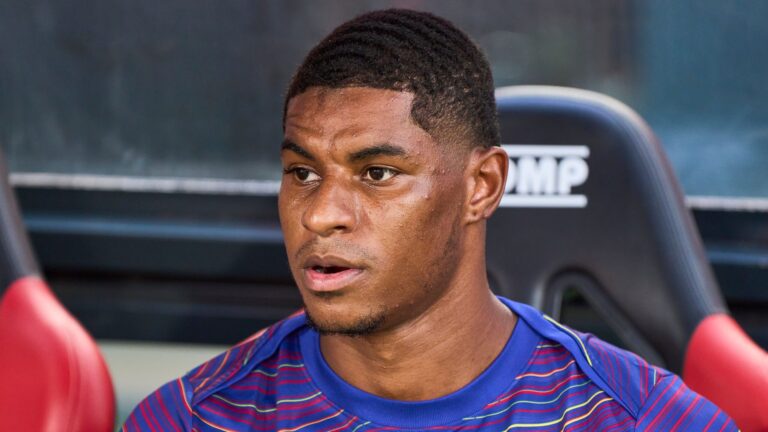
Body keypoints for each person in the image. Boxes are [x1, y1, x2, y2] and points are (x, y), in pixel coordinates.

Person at [122, 9, 736, 431]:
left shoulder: (639, 419)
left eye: (377, 173)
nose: (321, 214)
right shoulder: (194, 419)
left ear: (481, 186)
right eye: (302, 173)